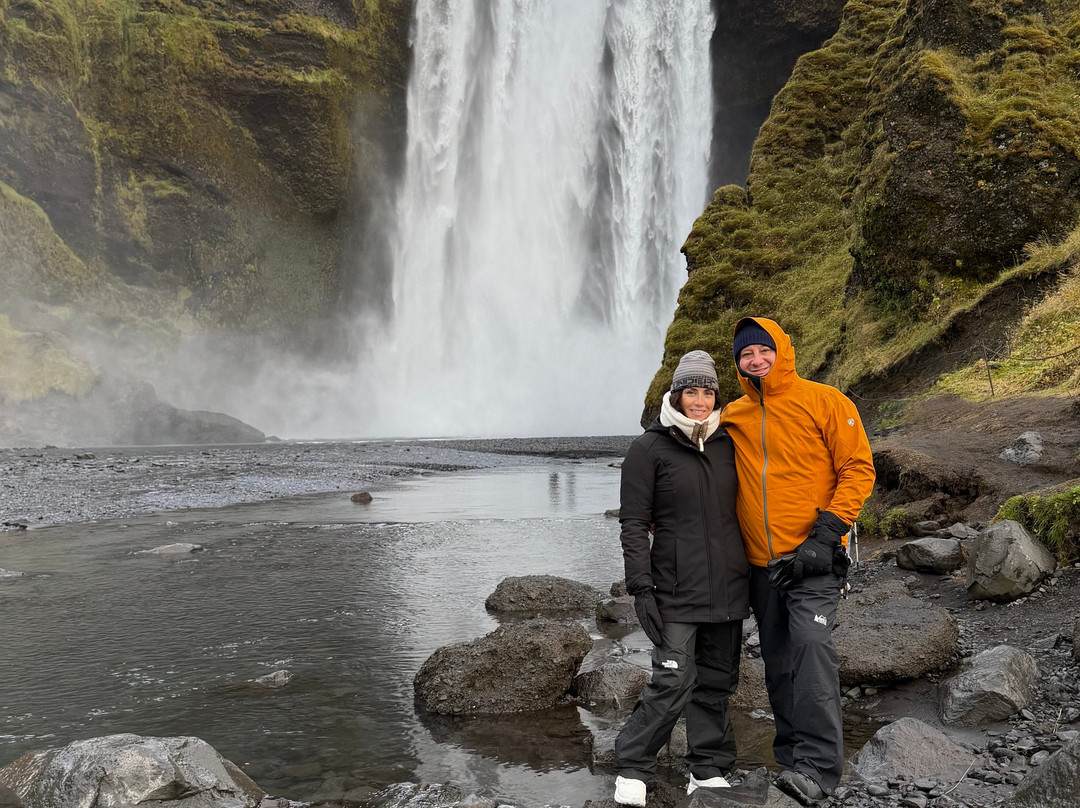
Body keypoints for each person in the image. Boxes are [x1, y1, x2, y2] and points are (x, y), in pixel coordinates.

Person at [720, 318, 875, 805]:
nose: (756, 360)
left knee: (810, 648)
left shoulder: (825, 401)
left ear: (782, 351)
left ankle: (821, 769)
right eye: (746, 355)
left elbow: (858, 467)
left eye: (763, 350)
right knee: (778, 661)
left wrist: (827, 533)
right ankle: (792, 759)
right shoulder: (734, 416)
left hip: (815, 558)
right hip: (763, 566)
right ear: (739, 364)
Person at [612, 350, 750, 807]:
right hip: (673, 589)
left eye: (708, 391)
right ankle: (633, 767)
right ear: (676, 394)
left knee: (716, 682)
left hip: (729, 587)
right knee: (671, 681)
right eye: (691, 391)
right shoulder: (648, 449)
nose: (699, 400)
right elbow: (633, 524)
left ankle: (706, 768)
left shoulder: (731, 443)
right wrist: (640, 588)